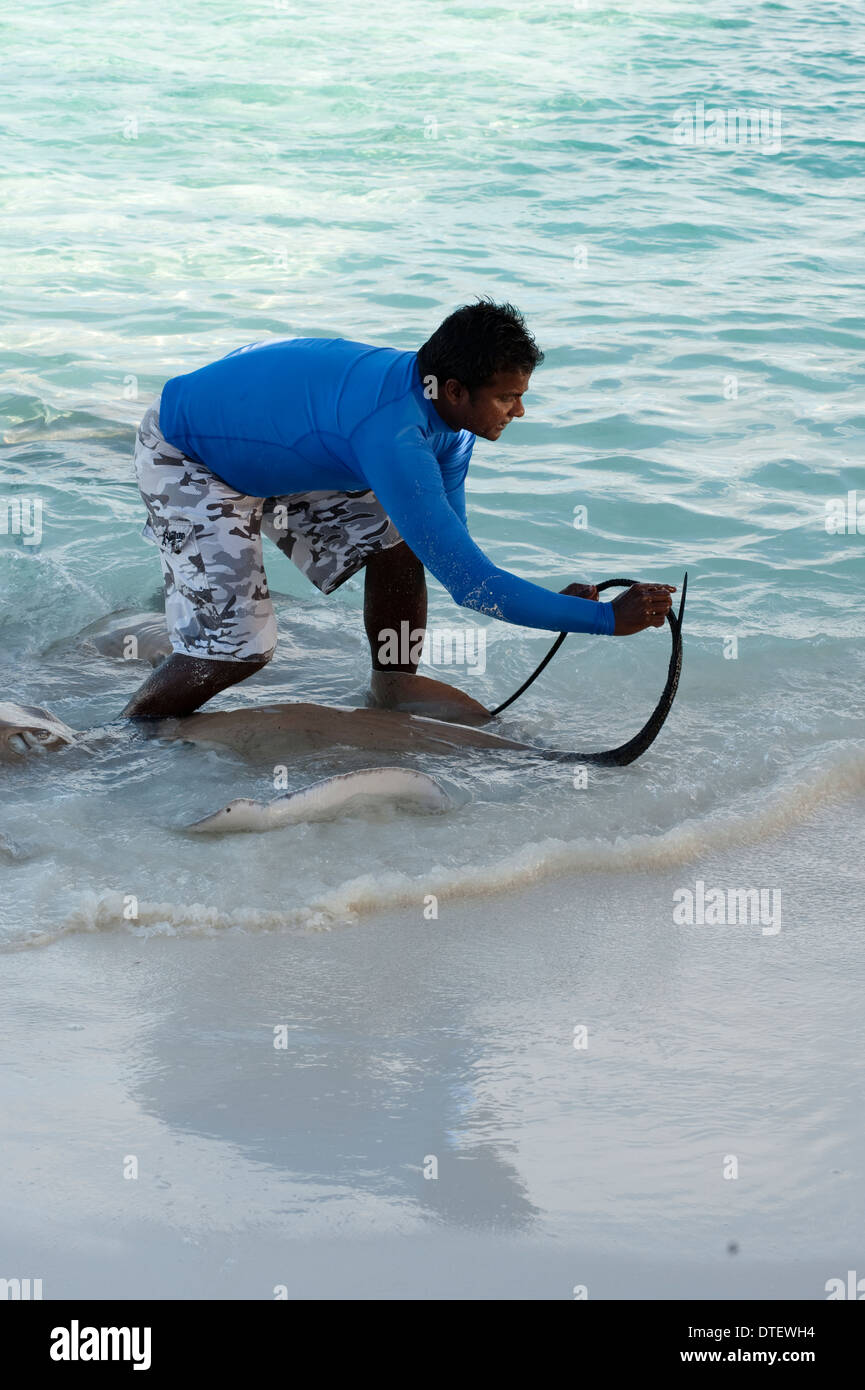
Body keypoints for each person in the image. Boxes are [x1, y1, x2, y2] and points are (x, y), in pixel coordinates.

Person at [123, 298, 674, 719]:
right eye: (508, 397)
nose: (521, 410)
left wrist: (555, 604)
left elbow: (449, 546)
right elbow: (472, 586)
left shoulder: (449, 423)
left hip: (279, 440)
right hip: (189, 451)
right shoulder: (395, 433)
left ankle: (393, 683)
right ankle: (129, 731)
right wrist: (602, 620)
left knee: (402, 536)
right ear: (456, 390)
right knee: (239, 648)